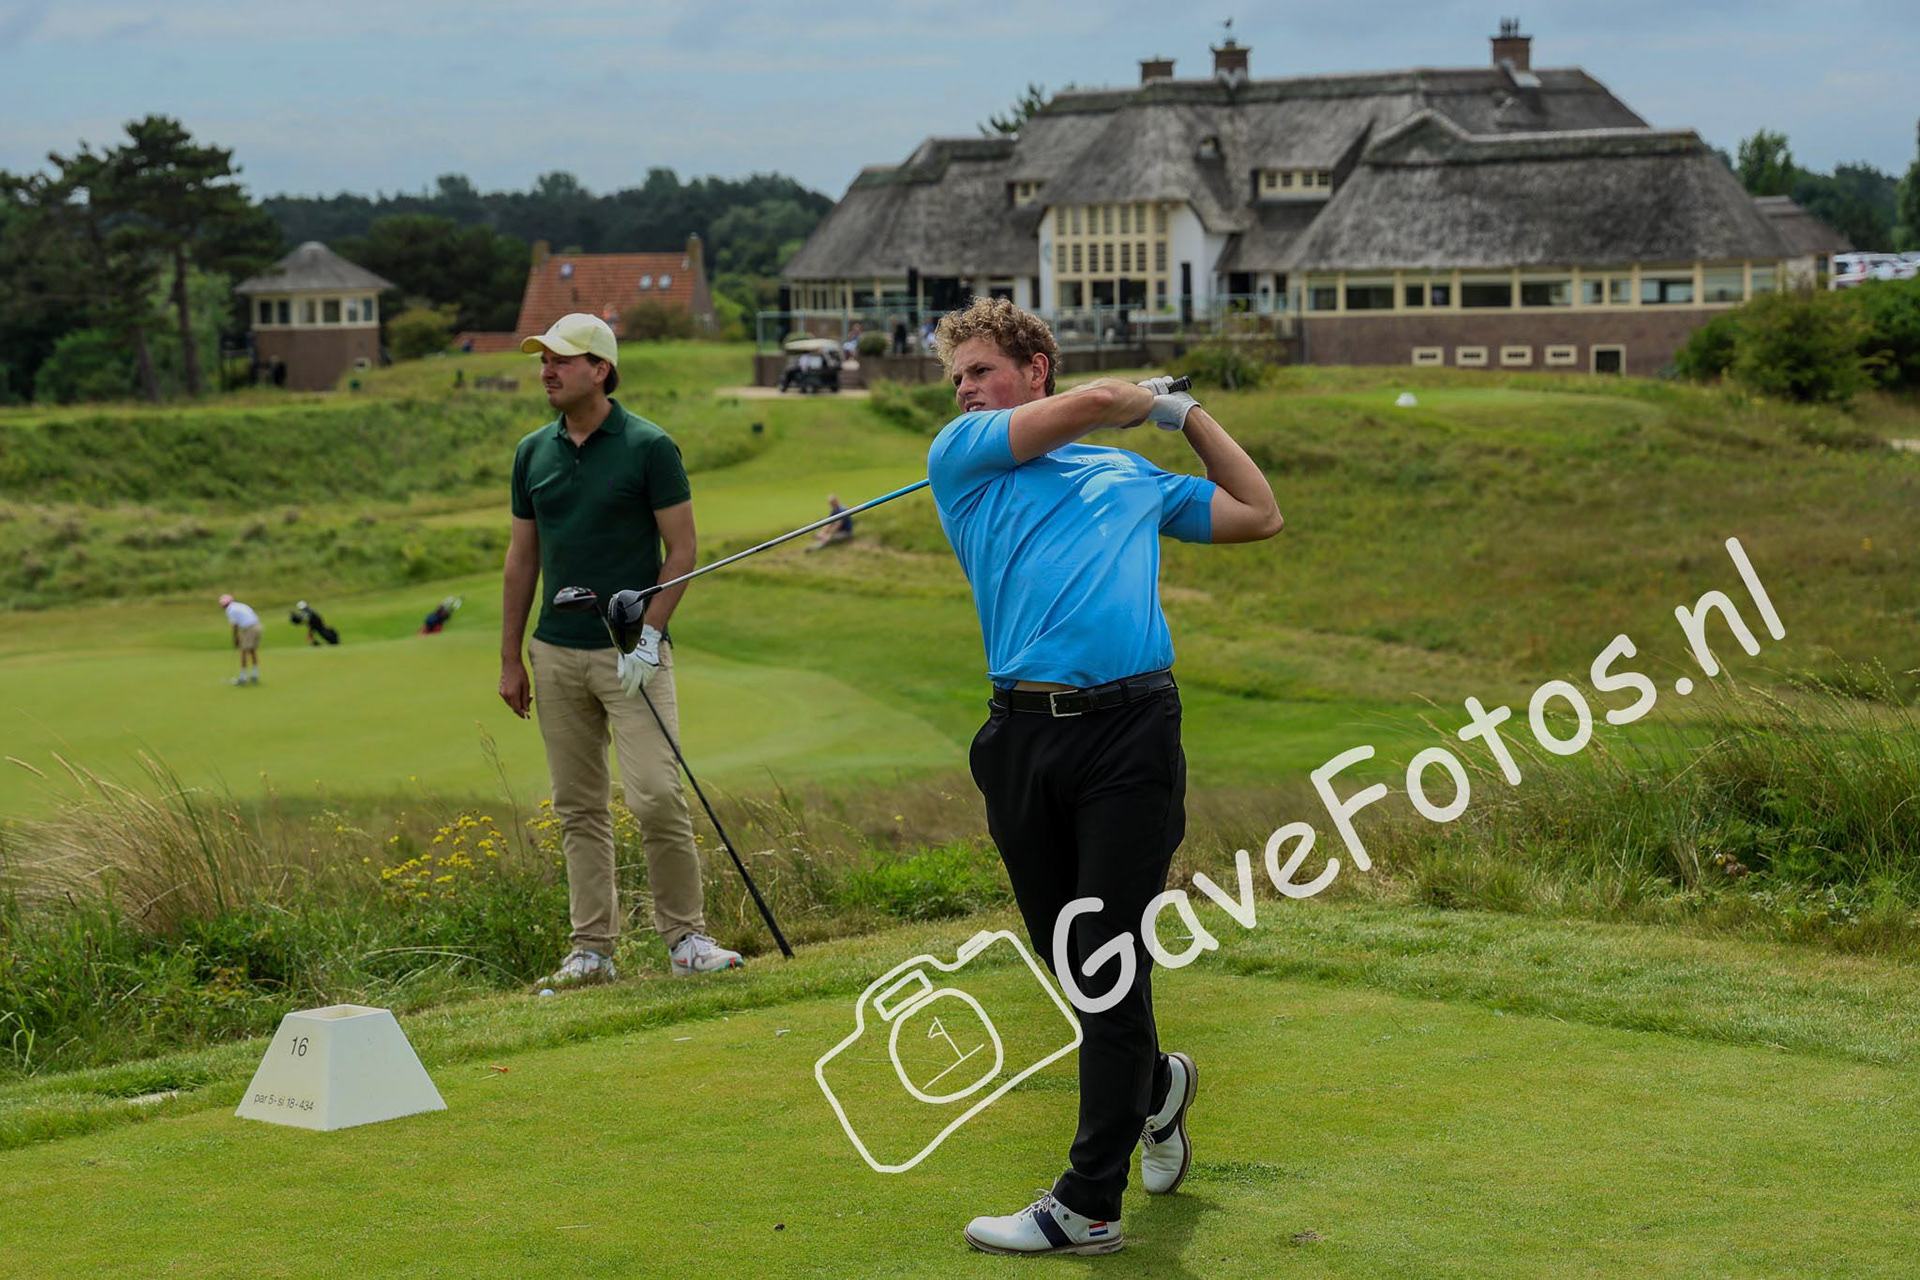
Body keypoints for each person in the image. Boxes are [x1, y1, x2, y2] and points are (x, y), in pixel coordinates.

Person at [926, 298, 1283, 1256]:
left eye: (980, 372)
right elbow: (1085, 407)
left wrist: (1185, 415)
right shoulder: (961, 458)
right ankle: (1156, 1087)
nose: (963, 390)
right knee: (1076, 966)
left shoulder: (1127, 475)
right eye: (956, 377)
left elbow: (1259, 513)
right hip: (1019, 740)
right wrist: (1122, 398)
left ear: (1033, 367)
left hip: (1130, 733)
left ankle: (1088, 1202)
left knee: (1102, 958)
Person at [499, 312, 744, 989]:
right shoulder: (532, 453)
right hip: (555, 653)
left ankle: (685, 938)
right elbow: (523, 559)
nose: (546, 371)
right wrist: (510, 658)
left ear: (599, 369)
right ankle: (593, 951)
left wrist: (652, 636)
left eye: (560, 360)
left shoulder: (648, 446)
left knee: (657, 796)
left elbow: (683, 552)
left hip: (632, 654)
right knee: (577, 807)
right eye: (541, 360)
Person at [219, 593, 263, 685]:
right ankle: (255, 675)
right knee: (252, 650)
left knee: (243, 650)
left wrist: (235, 638)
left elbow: (235, 626)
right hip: (257, 626)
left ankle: (243, 677)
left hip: (250, 628)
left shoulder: (230, 610)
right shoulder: (240, 605)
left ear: (224, 605)